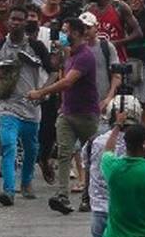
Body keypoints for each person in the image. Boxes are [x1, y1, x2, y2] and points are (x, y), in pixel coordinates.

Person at [25, 15, 103, 214]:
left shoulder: (85, 56)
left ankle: (88, 196)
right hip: (68, 113)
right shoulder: (70, 54)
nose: (63, 34)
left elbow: (68, 82)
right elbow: (57, 72)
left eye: (66, 30)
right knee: (64, 153)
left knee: (90, 157)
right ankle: (63, 195)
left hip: (86, 114)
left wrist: (41, 92)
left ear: (76, 33)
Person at [0, 6, 51, 205]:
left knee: (32, 148)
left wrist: (43, 92)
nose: (16, 22)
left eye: (20, 19)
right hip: (7, 106)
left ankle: (26, 181)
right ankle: (8, 190)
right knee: (8, 144)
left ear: (26, 23)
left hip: (31, 108)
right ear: (7, 21)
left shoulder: (37, 47)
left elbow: (54, 72)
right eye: (13, 19)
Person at [87, 95, 141, 237]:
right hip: (128, 215)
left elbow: (86, 163)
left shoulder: (96, 142)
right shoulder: (140, 146)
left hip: (100, 212)